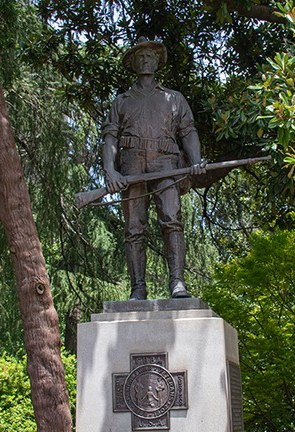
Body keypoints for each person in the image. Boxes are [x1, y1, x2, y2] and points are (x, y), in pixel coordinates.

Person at [102, 37, 206, 300]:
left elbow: (188, 132)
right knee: (134, 228)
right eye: (140, 57)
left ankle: (177, 283)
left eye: (150, 56)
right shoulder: (122, 101)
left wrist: (195, 160)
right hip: (131, 164)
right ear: (133, 64)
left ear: (158, 62)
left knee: (172, 221)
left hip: (166, 163)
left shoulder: (175, 99)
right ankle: (138, 287)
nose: (145, 60)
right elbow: (110, 138)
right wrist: (110, 171)